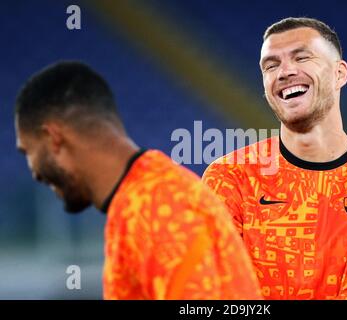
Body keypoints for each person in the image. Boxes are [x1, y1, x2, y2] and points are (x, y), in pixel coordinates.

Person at [202, 17, 347, 299]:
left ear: (339, 74)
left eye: (302, 57)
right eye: (271, 65)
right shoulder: (230, 177)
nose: (284, 72)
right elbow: (220, 294)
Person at [14, 61, 262, 300]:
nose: (33, 171)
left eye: (28, 152)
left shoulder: (158, 207)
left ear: (53, 137)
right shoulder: (141, 200)